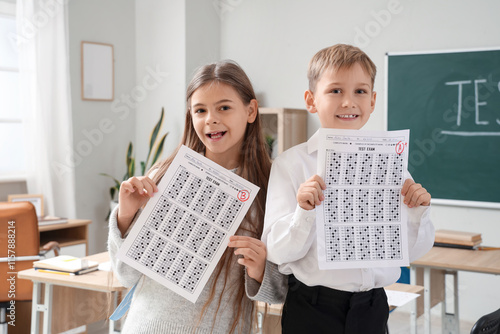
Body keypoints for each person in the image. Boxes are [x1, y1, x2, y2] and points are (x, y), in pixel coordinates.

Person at [262, 44, 435, 334]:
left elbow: (410, 251)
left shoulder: (390, 163)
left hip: (373, 307)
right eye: (335, 91)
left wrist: (419, 212)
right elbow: (277, 251)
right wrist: (303, 212)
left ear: (373, 101)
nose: (348, 102)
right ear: (311, 100)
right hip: (314, 308)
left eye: (360, 91)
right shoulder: (291, 165)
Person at [108, 60, 284, 334]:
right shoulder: (162, 176)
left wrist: (260, 269)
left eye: (224, 107)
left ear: (250, 110)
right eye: (200, 110)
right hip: (146, 326)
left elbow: (279, 292)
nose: (210, 119)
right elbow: (126, 276)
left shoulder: (273, 186)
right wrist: (125, 216)